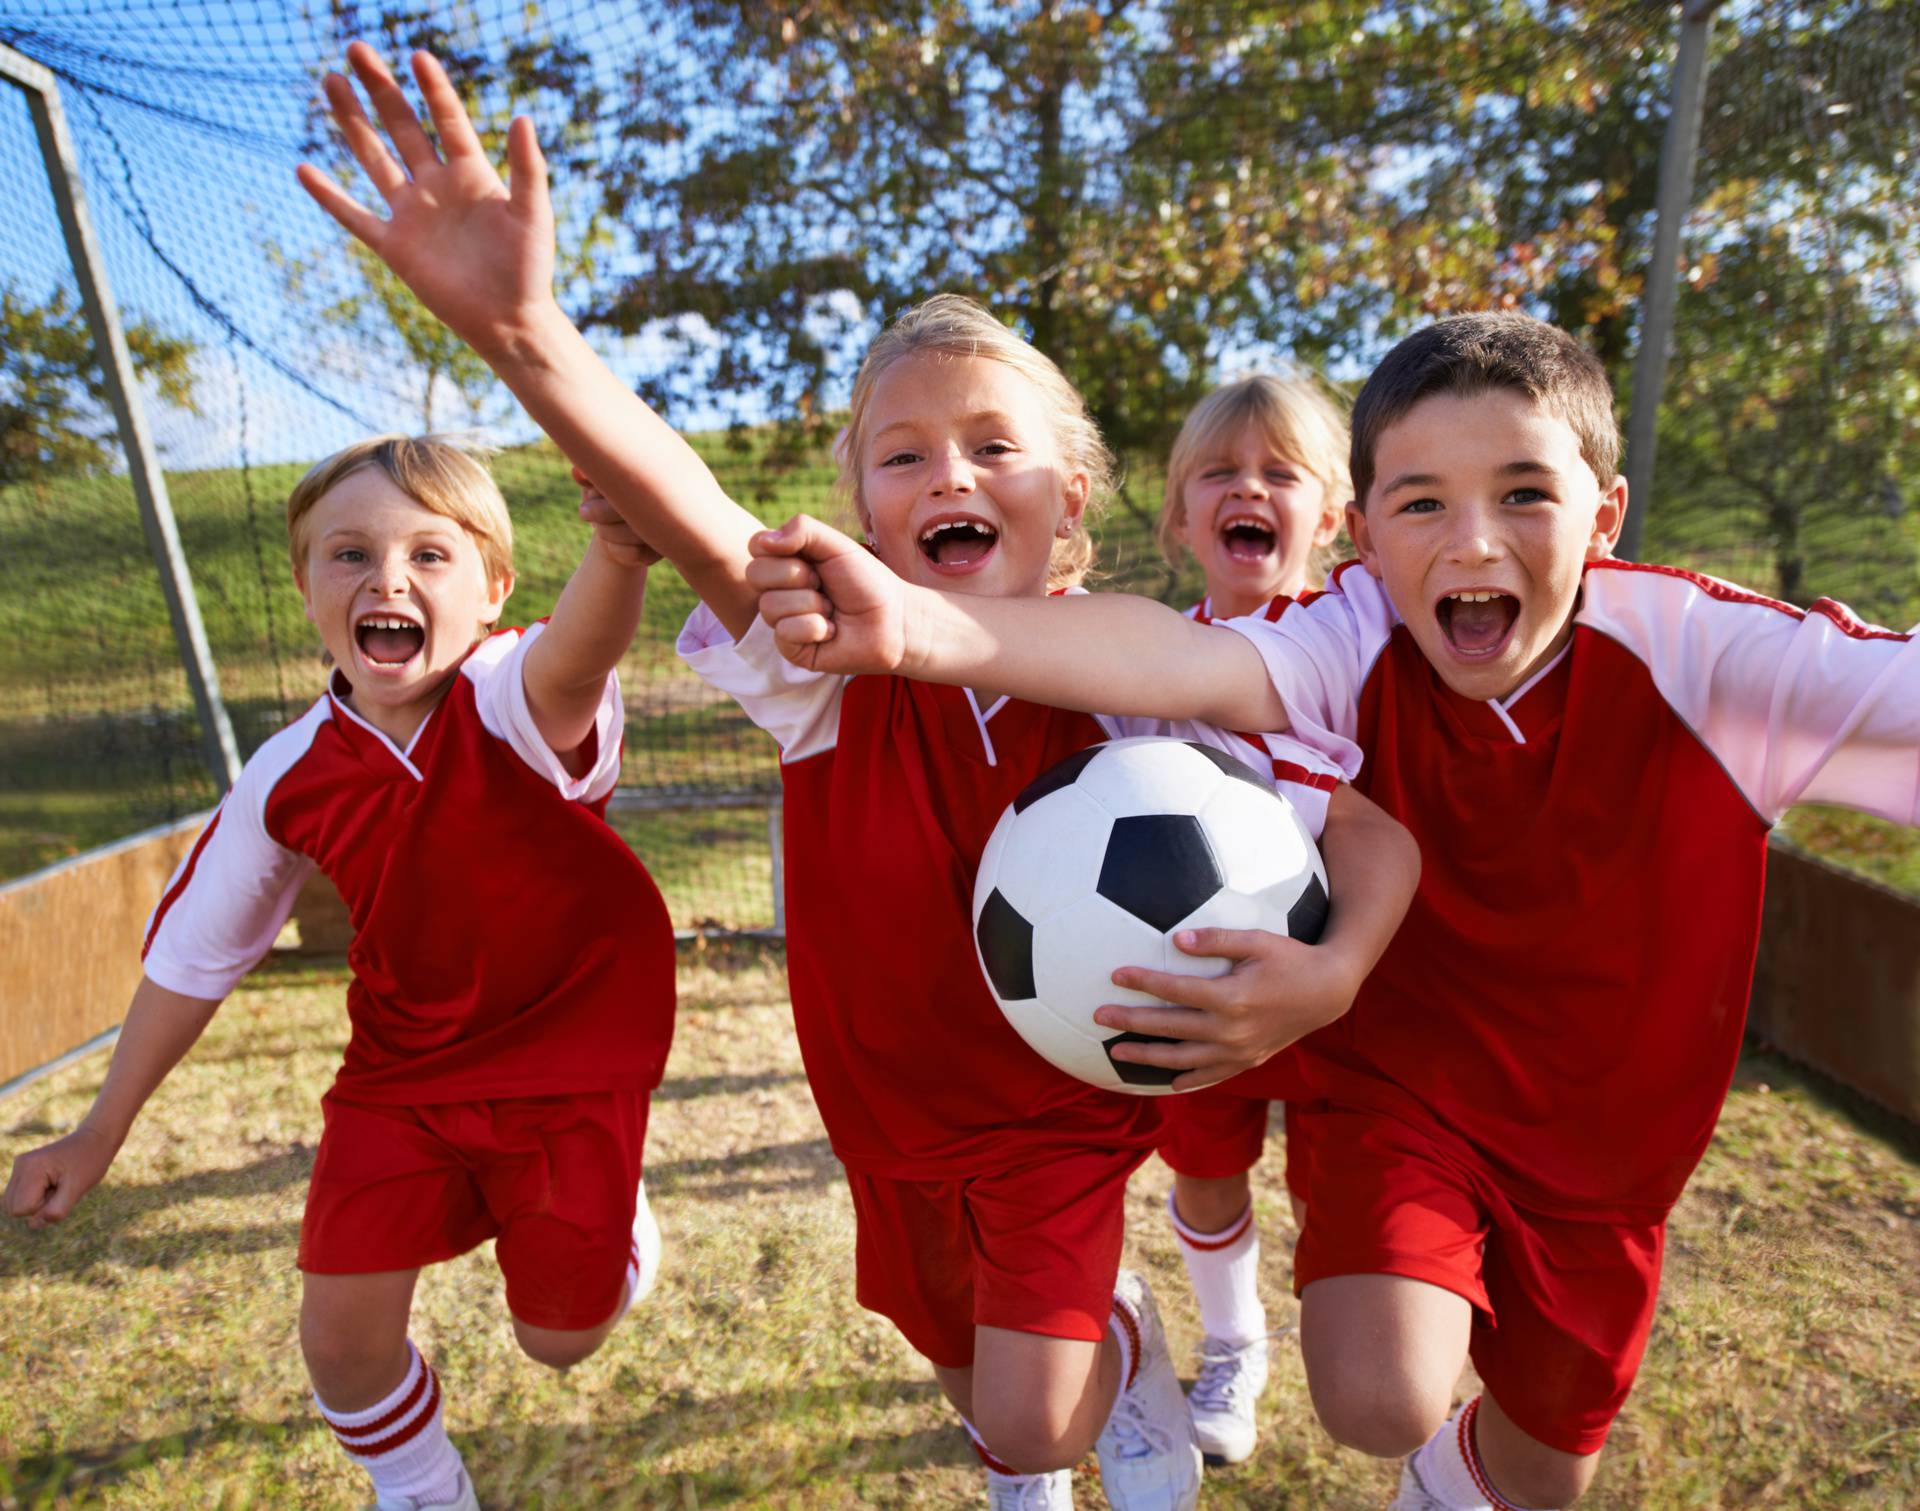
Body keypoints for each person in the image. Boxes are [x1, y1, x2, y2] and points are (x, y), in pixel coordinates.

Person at [288, 46, 1420, 1510]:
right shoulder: (825, 670)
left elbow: (1367, 830)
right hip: (885, 1119)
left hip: (1059, 1124)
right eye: (904, 454)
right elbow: (688, 509)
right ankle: (1091, 1375)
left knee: (1029, 1419)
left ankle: (1096, 1380)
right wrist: (526, 330)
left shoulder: (1154, 687)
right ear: (865, 505)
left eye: (991, 445)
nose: (947, 473)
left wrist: (1331, 973)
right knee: (965, 1372)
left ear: (1068, 492)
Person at [745, 311, 1920, 1510]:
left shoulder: (1708, 656)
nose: (1471, 542)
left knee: (1541, 1480)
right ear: (1365, 536)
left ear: (1604, 516)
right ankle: (1225, 1343)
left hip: (1610, 1153)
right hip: (1386, 1082)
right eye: (1421, 504)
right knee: (1374, 1392)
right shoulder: (1342, 635)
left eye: (1523, 494)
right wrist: (919, 624)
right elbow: (1174, 655)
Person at [3, 436, 677, 1511]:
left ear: (495, 587)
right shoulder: (287, 771)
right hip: (401, 1074)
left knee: (558, 1340)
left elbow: (578, 661)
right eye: (349, 553)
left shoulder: (510, 691)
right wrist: (98, 1129)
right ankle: (419, 1486)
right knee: (339, 1335)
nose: (388, 579)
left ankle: (620, 1226)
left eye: (430, 555)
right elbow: (196, 957)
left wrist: (620, 555)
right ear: (309, 585)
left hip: (566, 1064)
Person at [1147, 373, 1349, 1466]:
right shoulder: (1143, 658)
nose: (1249, 488)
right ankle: (1235, 1340)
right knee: (1207, 1170)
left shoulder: (1360, 639)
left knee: (1340, 1192)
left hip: (1345, 989)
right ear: (1181, 518)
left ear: (1333, 515)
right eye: (1219, 473)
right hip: (1202, 974)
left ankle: (1348, 1328)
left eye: (1281, 471)